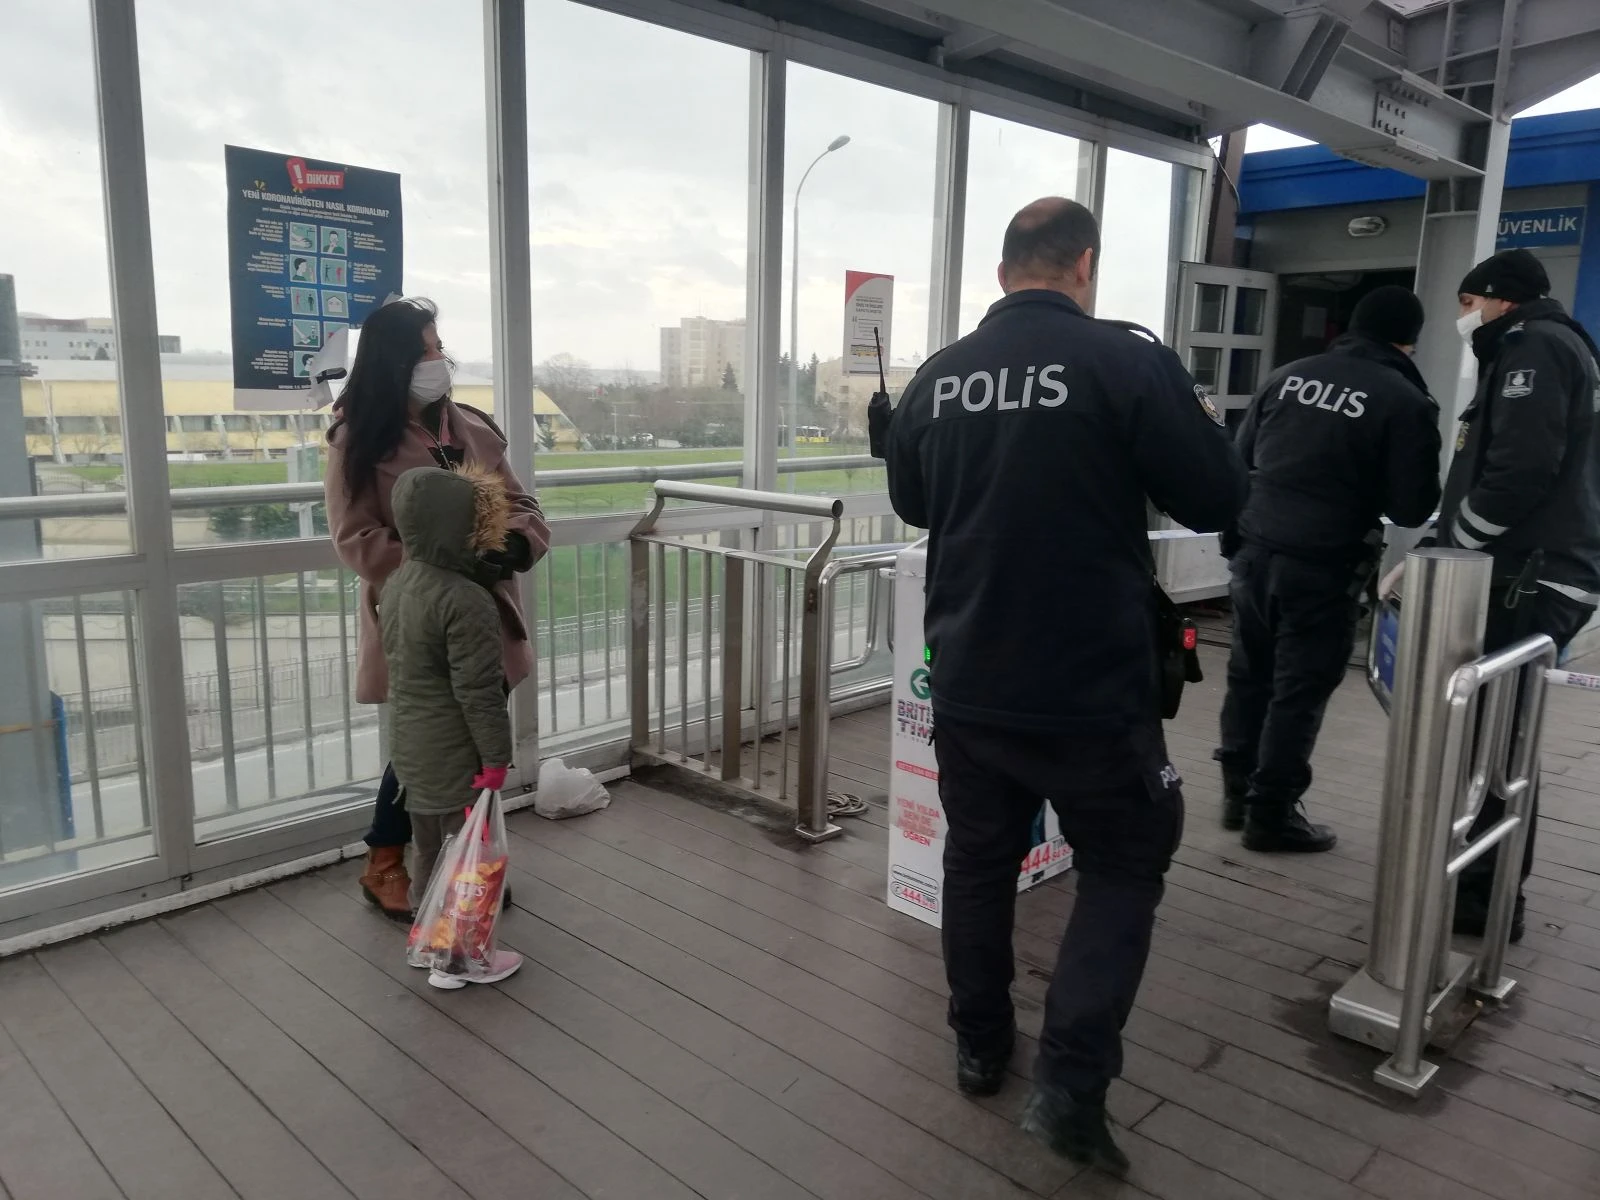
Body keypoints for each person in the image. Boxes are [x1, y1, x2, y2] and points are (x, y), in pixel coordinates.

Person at [883, 197, 1246, 1173]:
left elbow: (913, 500)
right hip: (1092, 685)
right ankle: (1071, 1088)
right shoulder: (1126, 362)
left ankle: (978, 1045)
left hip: (968, 676)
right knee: (1124, 865)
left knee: (975, 861)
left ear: (1004, 270)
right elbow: (1216, 496)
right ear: (1083, 263)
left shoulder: (940, 377)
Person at [325, 297, 549, 920]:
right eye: (423, 349)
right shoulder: (357, 440)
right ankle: (387, 862)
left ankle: (470, 868)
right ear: (392, 360)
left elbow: (523, 505)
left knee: (478, 746)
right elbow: (356, 538)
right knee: (424, 745)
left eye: (437, 346)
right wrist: (433, 569)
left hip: (482, 615)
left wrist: (517, 544)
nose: (437, 359)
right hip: (416, 620)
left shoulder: (472, 429)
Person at [1216, 287, 1441, 853]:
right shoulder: (1405, 399)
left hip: (1253, 550)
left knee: (1249, 674)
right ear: (1408, 341)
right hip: (1322, 563)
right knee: (1299, 688)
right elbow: (1413, 506)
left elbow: (1237, 461)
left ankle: (1236, 794)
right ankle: (1271, 813)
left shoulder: (1287, 375)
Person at [1418, 249, 1600, 941]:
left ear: (1498, 299)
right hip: (1533, 566)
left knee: (1498, 738)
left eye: (1468, 304)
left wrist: (1453, 544)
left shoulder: (1533, 348)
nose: (1464, 319)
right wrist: (1447, 530)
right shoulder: (1545, 348)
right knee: (1497, 732)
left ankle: (1486, 902)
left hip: (1530, 573)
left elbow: (1520, 471)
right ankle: (1481, 885)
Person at [380, 463, 523, 989]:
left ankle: (425, 940)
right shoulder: (465, 600)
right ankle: (459, 959)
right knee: (470, 859)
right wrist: (494, 756)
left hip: (412, 748)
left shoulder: (397, 583)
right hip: (456, 750)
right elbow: (478, 690)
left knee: (427, 851)